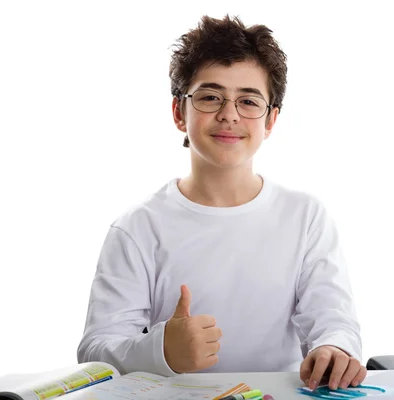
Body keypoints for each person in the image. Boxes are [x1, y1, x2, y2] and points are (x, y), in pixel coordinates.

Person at [77, 14, 366, 391]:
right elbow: (96, 352)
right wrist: (161, 352)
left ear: (271, 120)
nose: (229, 114)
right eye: (211, 97)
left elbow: (334, 321)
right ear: (179, 112)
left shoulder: (306, 217)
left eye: (248, 101)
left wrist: (335, 349)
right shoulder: (137, 228)